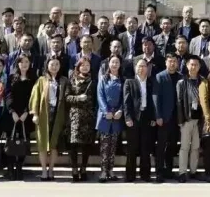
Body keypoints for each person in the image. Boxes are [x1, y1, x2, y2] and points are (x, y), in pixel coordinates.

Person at [29, 56, 68, 181]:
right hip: (43, 114)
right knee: (42, 143)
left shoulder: (64, 80)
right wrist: (34, 114)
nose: (54, 67)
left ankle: (51, 169)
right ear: (47, 66)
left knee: (54, 144)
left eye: (57, 64)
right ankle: (44, 170)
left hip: (58, 114)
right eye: (52, 64)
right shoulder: (41, 80)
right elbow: (35, 97)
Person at [124, 58, 156, 182]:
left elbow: (154, 102)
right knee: (132, 148)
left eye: (144, 66)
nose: (141, 68)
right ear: (135, 68)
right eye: (139, 66)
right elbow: (126, 102)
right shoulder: (129, 82)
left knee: (145, 148)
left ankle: (145, 175)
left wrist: (153, 117)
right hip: (133, 118)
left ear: (147, 68)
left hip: (147, 118)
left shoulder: (151, 82)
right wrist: (127, 117)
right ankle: (130, 175)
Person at [5, 54, 36, 180]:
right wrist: (12, 111)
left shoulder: (33, 78)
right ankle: (10, 168)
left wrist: (26, 112)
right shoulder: (11, 77)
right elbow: (8, 94)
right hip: (12, 114)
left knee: (24, 140)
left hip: (26, 114)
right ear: (17, 64)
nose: (24, 64)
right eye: (21, 62)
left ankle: (19, 167)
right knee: (10, 140)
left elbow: (33, 97)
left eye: (26, 62)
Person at [65, 57, 97, 182]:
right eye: (82, 65)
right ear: (78, 67)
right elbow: (67, 97)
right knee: (73, 144)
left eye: (87, 65)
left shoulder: (93, 81)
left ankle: (83, 168)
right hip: (75, 116)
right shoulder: (71, 80)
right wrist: (78, 98)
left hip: (88, 116)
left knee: (86, 144)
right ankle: (74, 169)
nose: (85, 67)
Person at [96, 55, 124, 183]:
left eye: (117, 62)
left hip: (117, 116)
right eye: (112, 62)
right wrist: (105, 111)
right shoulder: (103, 79)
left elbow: (125, 97)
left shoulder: (122, 80)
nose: (114, 64)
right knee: (104, 145)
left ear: (120, 64)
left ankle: (111, 170)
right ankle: (103, 171)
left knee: (113, 145)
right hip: (105, 116)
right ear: (109, 64)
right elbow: (100, 96)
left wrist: (120, 110)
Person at [176, 56, 204, 182]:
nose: (193, 67)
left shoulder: (203, 81)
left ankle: (193, 171)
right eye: (191, 64)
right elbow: (179, 102)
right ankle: (182, 172)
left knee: (196, 147)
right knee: (184, 147)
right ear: (187, 66)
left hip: (199, 120)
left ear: (199, 66)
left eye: (196, 65)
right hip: (186, 120)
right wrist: (180, 121)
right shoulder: (181, 82)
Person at [153, 54, 179, 182]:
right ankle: (159, 171)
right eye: (170, 61)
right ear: (166, 62)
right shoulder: (160, 76)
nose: (172, 63)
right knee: (161, 146)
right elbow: (156, 97)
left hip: (177, 118)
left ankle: (169, 170)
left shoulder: (181, 77)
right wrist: (158, 116)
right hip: (163, 118)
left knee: (172, 145)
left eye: (174, 61)